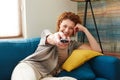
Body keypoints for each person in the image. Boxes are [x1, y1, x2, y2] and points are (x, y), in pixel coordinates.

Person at [11, 12, 101, 80]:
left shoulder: (73, 45)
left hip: (46, 76)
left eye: (70, 28)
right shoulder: (47, 34)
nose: (66, 30)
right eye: (64, 26)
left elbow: (97, 50)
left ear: (74, 30)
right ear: (59, 25)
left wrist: (85, 30)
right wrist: (56, 39)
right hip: (29, 68)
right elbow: (51, 38)